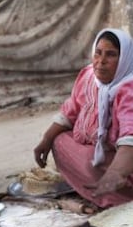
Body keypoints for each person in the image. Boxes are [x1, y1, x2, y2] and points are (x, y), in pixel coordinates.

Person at [34, 28, 133, 208]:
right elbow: (71, 110)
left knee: (91, 164)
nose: (101, 61)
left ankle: (118, 199)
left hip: (126, 159)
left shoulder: (129, 88)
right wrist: (46, 139)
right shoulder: (88, 77)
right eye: (98, 53)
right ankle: (106, 190)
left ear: (125, 59)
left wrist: (116, 173)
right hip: (101, 150)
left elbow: (130, 137)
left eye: (110, 55)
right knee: (60, 141)